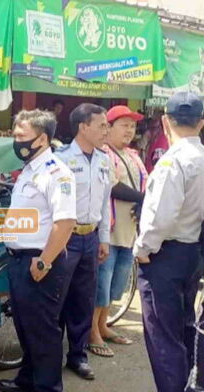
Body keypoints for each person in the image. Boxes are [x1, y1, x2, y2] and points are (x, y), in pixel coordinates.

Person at [0, 109, 77, 392]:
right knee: (25, 327)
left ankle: (47, 387)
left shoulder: (57, 171)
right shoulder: (30, 169)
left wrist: (43, 262)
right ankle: (27, 380)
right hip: (19, 261)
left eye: (21, 136)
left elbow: (65, 222)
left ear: (42, 138)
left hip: (40, 262)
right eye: (14, 135)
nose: (16, 141)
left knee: (42, 333)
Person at [133, 92, 204, 392]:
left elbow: (159, 217)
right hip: (193, 252)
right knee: (186, 328)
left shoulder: (172, 162)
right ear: (201, 123)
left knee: (164, 338)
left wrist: (142, 249)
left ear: (164, 122)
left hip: (164, 255)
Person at [53, 103, 112, 379]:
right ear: (83, 127)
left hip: (90, 238)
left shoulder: (103, 159)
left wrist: (104, 239)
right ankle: (49, 359)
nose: (106, 130)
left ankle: (78, 356)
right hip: (66, 239)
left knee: (83, 301)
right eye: (101, 125)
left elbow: (104, 202)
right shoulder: (61, 158)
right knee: (56, 301)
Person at [89, 106, 147, 355]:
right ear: (108, 127)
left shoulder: (133, 155)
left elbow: (146, 184)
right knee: (101, 284)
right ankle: (92, 332)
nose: (130, 130)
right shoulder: (102, 154)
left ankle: (103, 325)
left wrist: (144, 201)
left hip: (129, 232)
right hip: (108, 232)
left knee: (116, 285)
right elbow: (112, 186)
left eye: (133, 126)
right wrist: (144, 198)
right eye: (124, 125)